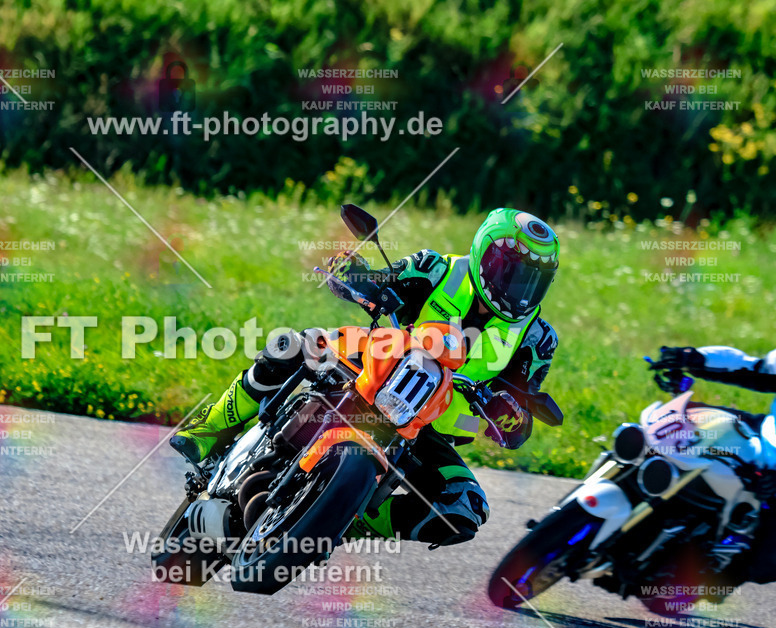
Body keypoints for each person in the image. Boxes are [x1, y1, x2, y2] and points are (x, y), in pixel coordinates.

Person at [170, 208, 560, 546]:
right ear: (483, 254)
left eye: (532, 279)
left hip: (427, 426)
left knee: (464, 508)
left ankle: (345, 519)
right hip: (377, 361)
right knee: (291, 345)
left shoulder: (537, 340)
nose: (519, 288)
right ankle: (211, 428)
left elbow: (520, 414)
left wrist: (510, 417)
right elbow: (380, 282)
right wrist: (352, 274)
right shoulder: (436, 268)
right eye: (511, 272)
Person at [651, 345, 776, 583]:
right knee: (675, 422)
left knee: (764, 563)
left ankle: (709, 580)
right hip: (764, 435)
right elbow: (755, 369)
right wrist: (695, 357)